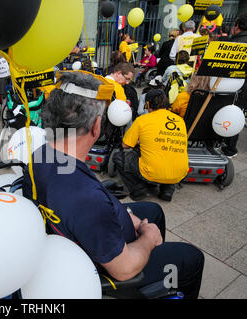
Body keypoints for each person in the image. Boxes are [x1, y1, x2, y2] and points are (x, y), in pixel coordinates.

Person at [22, 71, 204, 299]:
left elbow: (91, 198)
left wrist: (125, 214)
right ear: (96, 126)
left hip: (78, 232)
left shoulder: (42, 154)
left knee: (152, 211)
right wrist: (148, 237)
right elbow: (124, 269)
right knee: (192, 257)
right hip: (108, 268)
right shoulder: (85, 197)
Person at [113, 89, 189, 202]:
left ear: (148, 104)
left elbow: (125, 145)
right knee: (170, 154)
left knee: (119, 157)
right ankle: (167, 190)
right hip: (179, 174)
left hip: (151, 173)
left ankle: (138, 190)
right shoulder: (180, 121)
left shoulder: (142, 120)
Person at [222, 12, 247, 158]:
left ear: (237, 26)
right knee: (238, 115)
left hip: (231, 87)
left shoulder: (234, 43)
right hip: (244, 89)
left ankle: (228, 147)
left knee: (229, 114)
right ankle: (231, 148)